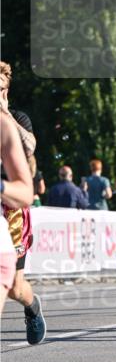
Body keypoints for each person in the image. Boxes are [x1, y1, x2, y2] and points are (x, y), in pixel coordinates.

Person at [0, 60, 46, 344]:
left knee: (16, 288)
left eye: (2, 90)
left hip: (12, 209)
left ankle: (32, 306)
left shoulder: (16, 119)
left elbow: (30, 147)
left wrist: (6, 115)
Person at [1, 116, 34, 315]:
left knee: (16, 287)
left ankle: (32, 306)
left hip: (12, 213)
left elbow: (31, 152)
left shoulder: (11, 122)